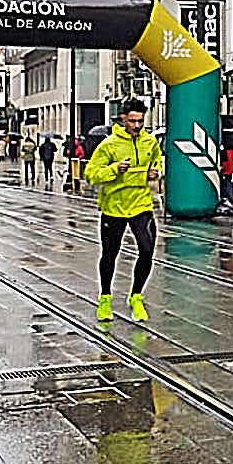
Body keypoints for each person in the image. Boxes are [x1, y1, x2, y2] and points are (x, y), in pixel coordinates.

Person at [84, 99, 164, 323]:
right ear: (123, 119)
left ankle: (136, 296)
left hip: (141, 203)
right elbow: (90, 173)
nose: (137, 126)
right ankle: (105, 297)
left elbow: (158, 160)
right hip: (114, 206)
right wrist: (113, 169)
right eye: (132, 121)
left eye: (140, 121)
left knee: (147, 250)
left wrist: (156, 171)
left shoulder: (150, 142)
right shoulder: (109, 145)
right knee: (110, 254)